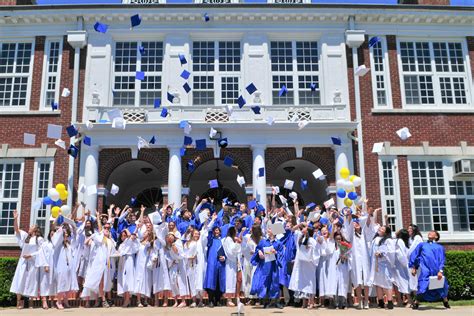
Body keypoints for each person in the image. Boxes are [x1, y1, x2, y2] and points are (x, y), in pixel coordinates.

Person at [10, 209, 44, 309]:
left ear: (36, 229)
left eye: (32, 227)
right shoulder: (25, 236)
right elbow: (16, 229)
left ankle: (31, 303)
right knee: (20, 280)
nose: (29, 228)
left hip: (32, 263)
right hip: (23, 262)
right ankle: (19, 302)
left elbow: (42, 251)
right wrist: (15, 219)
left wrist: (31, 255)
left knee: (32, 282)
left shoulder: (39, 239)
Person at [409, 230, 450, 310]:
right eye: (429, 232)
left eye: (432, 232)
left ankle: (445, 301)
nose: (429, 233)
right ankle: (416, 302)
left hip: (436, 269)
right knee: (422, 285)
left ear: (436, 236)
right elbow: (416, 256)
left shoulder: (440, 247)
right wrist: (414, 267)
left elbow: (442, 260)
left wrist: (440, 271)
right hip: (425, 269)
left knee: (441, 285)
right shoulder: (422, 245)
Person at [250, 227, 284, 309]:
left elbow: (281, 254)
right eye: (268, 230)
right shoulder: (263, 242)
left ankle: (275, 301)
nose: (268, 231)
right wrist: (259, 252)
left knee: (274, 283)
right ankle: (266, 301)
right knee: (265, 282)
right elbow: (257, 249)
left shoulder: (278, 243)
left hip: (274, 265)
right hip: (265, 265)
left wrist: (276, 252)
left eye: (270, 229)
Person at [288, 223, 319, 309]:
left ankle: (311, 302)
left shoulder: (312, 240)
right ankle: (304, 302)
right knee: (302, 282)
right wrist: (301, 223)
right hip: (302, 263)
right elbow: (292, 230)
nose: (303, 229)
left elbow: (316, 252)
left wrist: (309, 250)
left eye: (305, 228)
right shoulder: (301, 238)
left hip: (309, 263)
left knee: (310, 282)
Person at [368, 225, 395, 309]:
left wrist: (382, 254)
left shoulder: (388, 240)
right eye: (380, 228)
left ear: (386, 232)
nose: (380, 229)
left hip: (384, 264)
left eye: (382, 229)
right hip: (375, 264)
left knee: (387, 282)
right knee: (377, 283)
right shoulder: (375, 239)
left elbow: (390, 251)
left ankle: (390, 302)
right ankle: (381, 302)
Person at [203, 214, 226, 307]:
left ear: (220, 232)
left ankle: (218, 300)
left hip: (220, 263)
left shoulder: (223, 240)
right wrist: (212, 220)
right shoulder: (210, 240)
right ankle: (210, 300)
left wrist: (224, 258)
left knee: (219, 281)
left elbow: (227, 252)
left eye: (218, 230)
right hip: (212, 262)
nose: (216, 231)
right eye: (215, 230)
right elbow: (207, 230)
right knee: (211, 280)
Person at [222, 226, 242, 306]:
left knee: (234, 279)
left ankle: (232, 298)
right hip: (230, 262)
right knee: (230, 279)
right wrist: (237, 243)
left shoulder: (230, 240)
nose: (236, 233)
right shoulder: (228, 240)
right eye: (235, 231)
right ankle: (228, 299)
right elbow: (231, 251)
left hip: (233, 262)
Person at [37, 227, 57, 309]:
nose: (53, 235)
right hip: (46, 266)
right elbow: (42, 255)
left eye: (54, 234)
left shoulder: (57, 244)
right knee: (44, 283)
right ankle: (44, 301)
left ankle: (52, 301)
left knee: (52, 284)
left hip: (54, 267)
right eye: (51, 234)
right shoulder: (45, 244)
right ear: (49, 234)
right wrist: (45, 265)